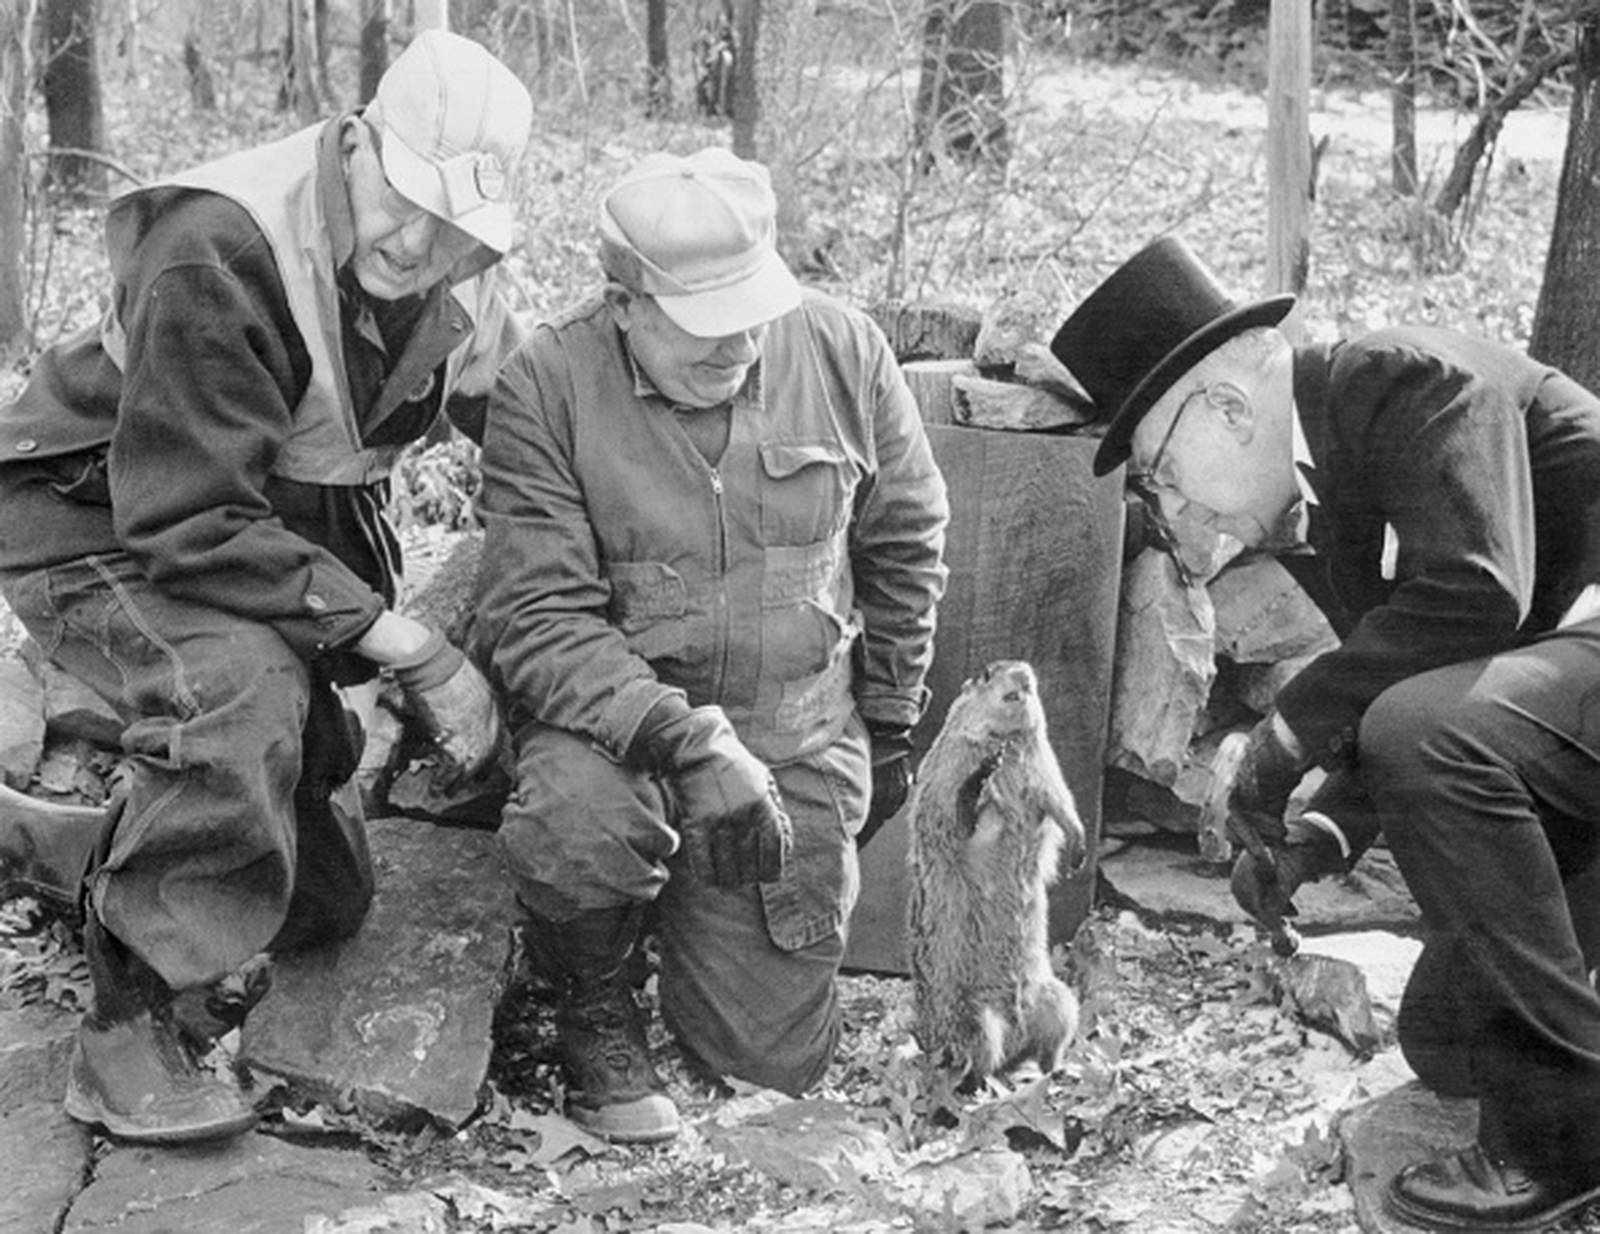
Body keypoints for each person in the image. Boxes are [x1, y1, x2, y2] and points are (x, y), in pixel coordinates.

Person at [0, 30, 532, 1144]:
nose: (419, 242)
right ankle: (130, 1029)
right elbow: (187, 519)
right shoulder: (218, 245)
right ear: (359, 144)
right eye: (404, 199)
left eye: (454, 224)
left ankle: (48, 846)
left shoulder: (459, 271)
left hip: (245, 515)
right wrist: (415, 651)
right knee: (238, 693)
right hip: (95, 510)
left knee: (318, 897)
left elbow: (534, 436)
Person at [1051, 234, 1600, 1231]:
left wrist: (1284, 737)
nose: (1169, 512)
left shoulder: (1399, 372)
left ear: (1224, 408)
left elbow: (1482, 592)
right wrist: (1317, 837)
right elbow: (1436, 681)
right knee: (1447, 1039)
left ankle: (1569, 1133)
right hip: (1573, 722)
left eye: (1161, 475)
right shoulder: (1320, 498)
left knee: (1420, 735)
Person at [470, 147, 949, 1143]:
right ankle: (594, 992)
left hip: (793, 741)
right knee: (578, 818)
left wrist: (895, 720)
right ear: (625, 302)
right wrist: (686, 742)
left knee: (765, 1062)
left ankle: (688, 920)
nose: (736, 342)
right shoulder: (549, 382)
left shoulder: (844, 351)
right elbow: (536, 620)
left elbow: (906, 539)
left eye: (750, 308)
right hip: (616, 743)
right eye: (701, 322)